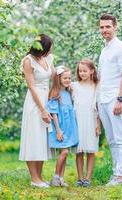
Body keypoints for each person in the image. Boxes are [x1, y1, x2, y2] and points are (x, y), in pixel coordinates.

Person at [97, 14, 122, 186]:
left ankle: (120, 176)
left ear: (115, 27)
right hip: (103, 99)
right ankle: (115, 174)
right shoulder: (104, 50)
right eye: (102, 27)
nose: (104, 30)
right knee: (111, 139)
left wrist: (120, 99)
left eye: (107, 27)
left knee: (121, 138)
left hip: (115, 98)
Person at [19, 34, 55, 188]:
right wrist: (42, 110)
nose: (50, 51)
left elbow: (54, 76)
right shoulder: (28, 61)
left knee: (42, 139)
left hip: (46, 98)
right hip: (35, 102)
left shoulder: (48, 58)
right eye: (48, 48)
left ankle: (39, 177)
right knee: (33, 138)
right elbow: (32, 86)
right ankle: (34, 179)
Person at [47, 66, 79, 187]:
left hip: (68, 127)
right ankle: (55, 176)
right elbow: (54, 113)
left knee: (65, 153)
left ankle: (61, 178)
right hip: (59, 128)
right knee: (64, 152)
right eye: (65, 78)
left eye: (69, 78)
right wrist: (58, 130)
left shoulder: (68, 92)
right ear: (58, 78)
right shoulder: (55, 93)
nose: (67, 80)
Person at [72, 59, 101, 187]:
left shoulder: (96, 86)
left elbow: (99, 108)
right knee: (79, 151)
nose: (82, 73)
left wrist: (98, 125)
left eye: (85, 71)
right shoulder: (74, 86)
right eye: (80, 71)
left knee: (90, 151)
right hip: (77, 121)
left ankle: (87, 178)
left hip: (91, 120)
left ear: (91, 71)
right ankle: (80, 177)